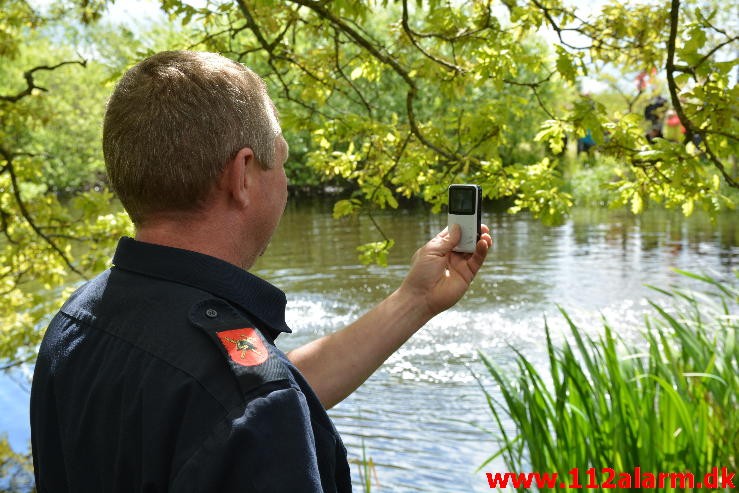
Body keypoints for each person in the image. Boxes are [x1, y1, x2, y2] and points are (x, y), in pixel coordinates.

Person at [30, 50, 492, 492]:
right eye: (283, 160)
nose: (286, 182)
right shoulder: (246, 401)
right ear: (244, 174)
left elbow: (264, 385)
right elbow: (251, 398)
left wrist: (414, 301)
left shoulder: (77, 320)